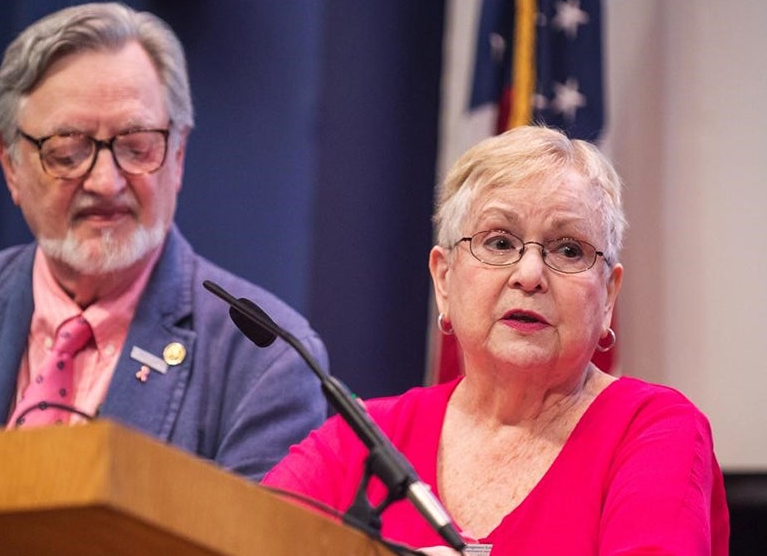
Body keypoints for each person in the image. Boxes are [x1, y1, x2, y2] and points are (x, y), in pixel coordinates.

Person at [0, 2, 329, 481]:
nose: (106, 182)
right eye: (68, 152)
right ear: (11, 164)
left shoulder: (266, 361)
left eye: (137, 147)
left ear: (177, 155)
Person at [263, 125, 729, 553]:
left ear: (608, 295)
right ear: (444, 279)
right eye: (499, 242)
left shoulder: (653, 431)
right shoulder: (361, 440)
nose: (529, 275)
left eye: (569, 250)